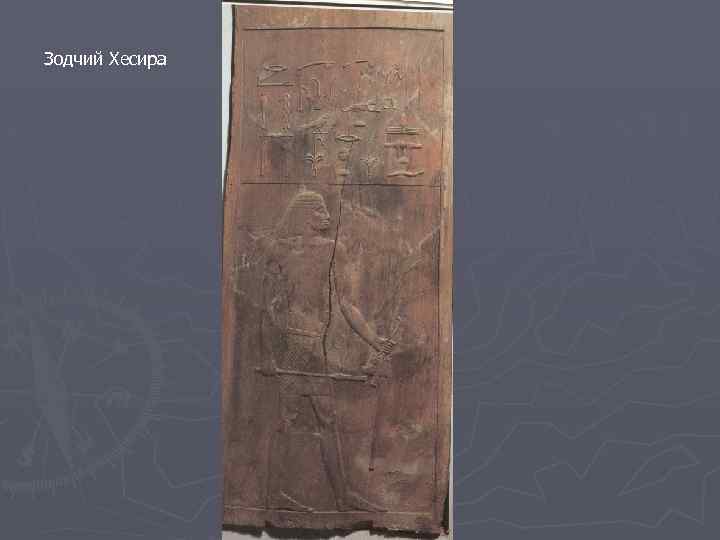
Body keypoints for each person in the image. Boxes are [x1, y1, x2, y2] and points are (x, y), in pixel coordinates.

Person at [255, 188, 392, 512]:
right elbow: (266, 306)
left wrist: (373, 340)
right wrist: (267, 354)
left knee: (299, 419)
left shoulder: (328, 249)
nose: (327, 216)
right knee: (307, 419)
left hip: (305, 342)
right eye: (319, 210)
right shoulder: (285, 251)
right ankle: (307, 497)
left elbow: (345, 303)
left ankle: (300, 496)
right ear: (305, 216)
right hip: (297, 345)